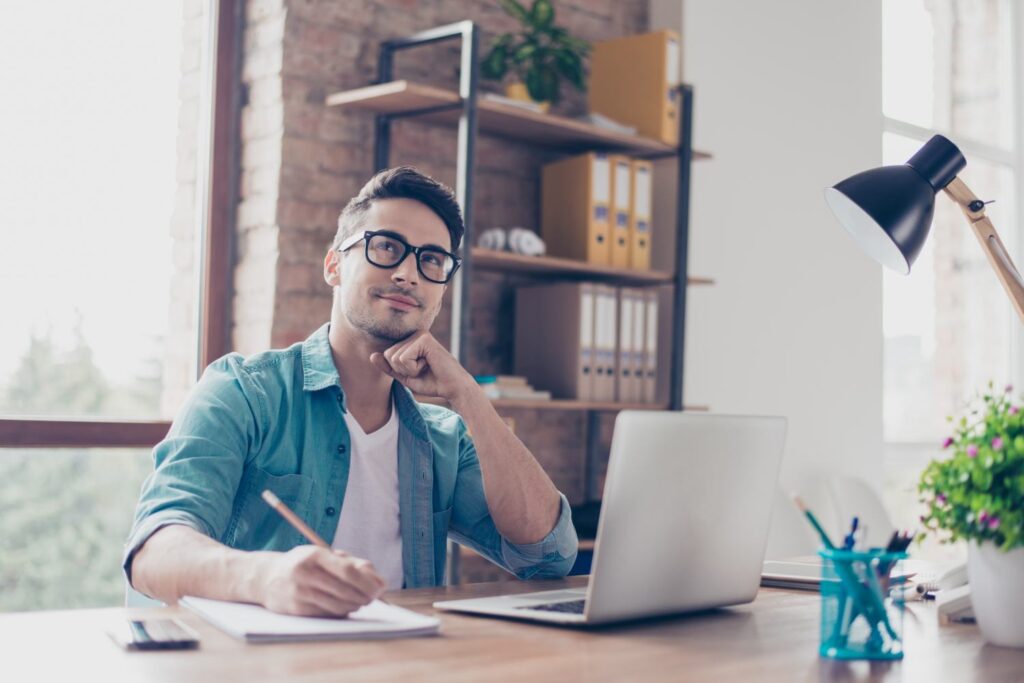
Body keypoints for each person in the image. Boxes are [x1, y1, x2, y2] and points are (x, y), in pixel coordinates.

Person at [125, 167, 577, 617]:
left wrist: (469, 396)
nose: (407, 274)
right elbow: (153, 552)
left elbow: (548, 556)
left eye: (432, 260)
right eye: (386, 247)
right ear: (334, 266)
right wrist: (264, 578)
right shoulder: (243, 392)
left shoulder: (445, 439)